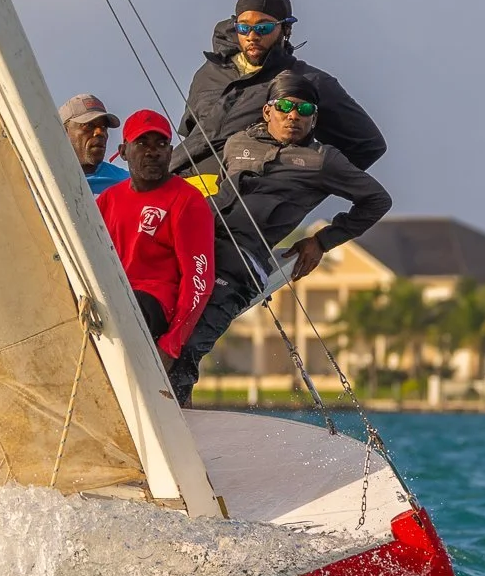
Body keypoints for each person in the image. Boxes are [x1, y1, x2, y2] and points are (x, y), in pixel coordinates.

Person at [168, 71, 392, 406]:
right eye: (285, 106)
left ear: (314, 118)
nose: (293, 115)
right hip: (193, 245)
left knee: (188, 347)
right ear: (267, 111)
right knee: (155, 327)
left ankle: (175, 427)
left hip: (238, 264)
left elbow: (377, 200)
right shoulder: (238, 143)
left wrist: (322, 240)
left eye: (303, 110)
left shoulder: (323, 160)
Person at [171, 0, 386, 181]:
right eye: (244, 28)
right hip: (183, 189)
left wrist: (304, 187)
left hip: (246, 204)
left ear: (286, 30)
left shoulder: (309, 80)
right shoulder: (208, 73)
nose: (252, 36)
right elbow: (190, 133)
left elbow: (367, 145)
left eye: (263, 28)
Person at [95, 109, 214, 367]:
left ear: (170, 152)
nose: (153, 151)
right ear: (124, 150)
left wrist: (172, 343)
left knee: (130, 305)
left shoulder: (188, 201)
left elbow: (199, 281)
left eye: (161, 144)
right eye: (142, 143)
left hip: (152, 305)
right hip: (112, 300)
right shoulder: (108, 199)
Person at [59, 93, 128, 193]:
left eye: (104, 127)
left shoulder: (126, 184)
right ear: (64, 132)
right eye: (89, 125)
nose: (100, 133)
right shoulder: (43, 178)